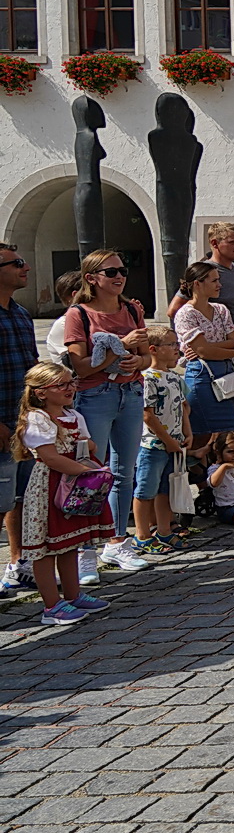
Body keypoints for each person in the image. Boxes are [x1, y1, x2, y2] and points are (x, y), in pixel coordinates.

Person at [62, 250, 151, 578]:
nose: (119, 276)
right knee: (89, 474)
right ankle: (85, 552)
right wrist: (120, 345)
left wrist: (136, 361)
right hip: (95, 396)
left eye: (123, 271)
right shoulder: (79, 314)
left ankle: (117, 542)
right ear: (91, 277)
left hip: (130, 393)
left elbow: (147, 357)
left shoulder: (130, 309)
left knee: (124, 471)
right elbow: (81, 368)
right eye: (110, 271)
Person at [13, 362, 113, 624]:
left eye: (71, 382)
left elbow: (90, 444)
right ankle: (51, 606)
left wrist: (87, 456)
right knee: (45, 549)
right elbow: (50, 458)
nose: (69, 388)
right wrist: (85, 472)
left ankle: (73, 594)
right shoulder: (37, 419)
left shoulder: (75, 415)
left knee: (69, 543)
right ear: (41, 392)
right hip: (51, 485)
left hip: (74, 482)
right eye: (61, 384)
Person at [173, 261, 234, 450]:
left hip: (226, 374)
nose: (219, 285)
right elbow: (203, 351)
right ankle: (204, 475)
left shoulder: (220, 309)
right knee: (199, 436)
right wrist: (229, 350)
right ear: (197, 284)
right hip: (202, 376)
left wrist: (211, 348)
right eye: (214, 280)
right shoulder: (185, 313)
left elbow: (231, 341)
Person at [132, 327, 190, 559]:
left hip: (174, 443)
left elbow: (183, 407)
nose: (177, 348)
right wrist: (167, 441)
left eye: (177, 343)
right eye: (172, 344)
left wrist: (187, 432)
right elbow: (148, 414)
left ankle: (165, 529)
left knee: (166, 488)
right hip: (153, 445)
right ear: (154, 349)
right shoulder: (148, 378)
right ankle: (142, 534)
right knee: (146, 489)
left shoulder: (174, 376)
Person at [0, 244, 36, 597]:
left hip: (24, 422)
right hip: (0, 423)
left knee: (19, 497)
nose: (25, 267)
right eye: (16, 264)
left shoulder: (21, 313)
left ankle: (18, 564)